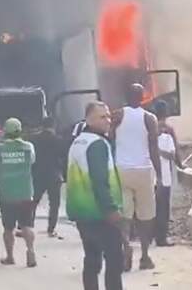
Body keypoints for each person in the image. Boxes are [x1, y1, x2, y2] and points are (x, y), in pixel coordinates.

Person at [67, 101, 124, 290]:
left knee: (92, 259)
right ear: (89, 119)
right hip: (100, 213)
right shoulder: (97, 144)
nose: (108, 120)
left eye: (108, 116)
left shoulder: (78, 142)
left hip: (82, 212)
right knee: (115, 259)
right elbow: (100, 181)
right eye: (102, 117)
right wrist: (111, 209)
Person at [111, 83, 161, 271]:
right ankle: (145, 255)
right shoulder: (150, 118)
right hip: (144, 170)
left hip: (121, 170)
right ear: (142, 97)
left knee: (124, 215)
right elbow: (154, 148)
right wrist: (160, 174)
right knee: (145, 216)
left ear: (125, 96)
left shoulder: (117, 116)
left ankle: (126, 246)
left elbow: (110, 140)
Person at [0, 117, 37, 267]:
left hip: (7, 193)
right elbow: (32, 161)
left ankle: (10, 257)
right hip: (25, 192)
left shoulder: (0, 148)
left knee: (8, 228)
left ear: (5, 131)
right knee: (27, 225)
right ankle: (30, 251)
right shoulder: (28, 147)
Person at [153, 100, 184, 247]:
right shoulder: (168, 129)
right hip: (164, 174)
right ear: (166, 113)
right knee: (163, 206)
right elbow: (175, 152)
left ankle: (150, 235)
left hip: (149, 173)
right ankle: (161, 237)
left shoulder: (149, 128)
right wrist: (180, 165)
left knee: (152, 206)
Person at [29, 116, 65, 237]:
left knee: (33, 201)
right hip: (54, 175)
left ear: (42, 126)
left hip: (38, 174)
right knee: (54, 204)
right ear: (54, 126)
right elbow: (63, 156)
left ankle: (27, 225)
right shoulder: (58, 140)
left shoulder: (34, 139)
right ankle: (51, 229)